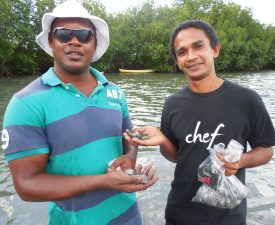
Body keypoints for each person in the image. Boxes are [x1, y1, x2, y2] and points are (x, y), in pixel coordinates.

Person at [1, 1, 158, 225]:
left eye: (84, 35)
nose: (74, 41)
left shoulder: (115, 93)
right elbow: (26, 186)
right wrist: (104, 181)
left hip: (130, 217)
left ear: (94, 44)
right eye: (64, 34)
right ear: (50, 41)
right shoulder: (25, 104)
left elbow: (129, 136)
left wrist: (130, 158)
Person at [124, 20, 275, 225]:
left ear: (215, 49)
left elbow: (266, 150)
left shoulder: (247, 100)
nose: (191, 56)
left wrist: (241, 160)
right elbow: (176, 156)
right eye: (182, 52)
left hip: (229, 216)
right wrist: (162, 139)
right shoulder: (173, 104)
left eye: (198, 46)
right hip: (179, 214)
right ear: (178, 61)